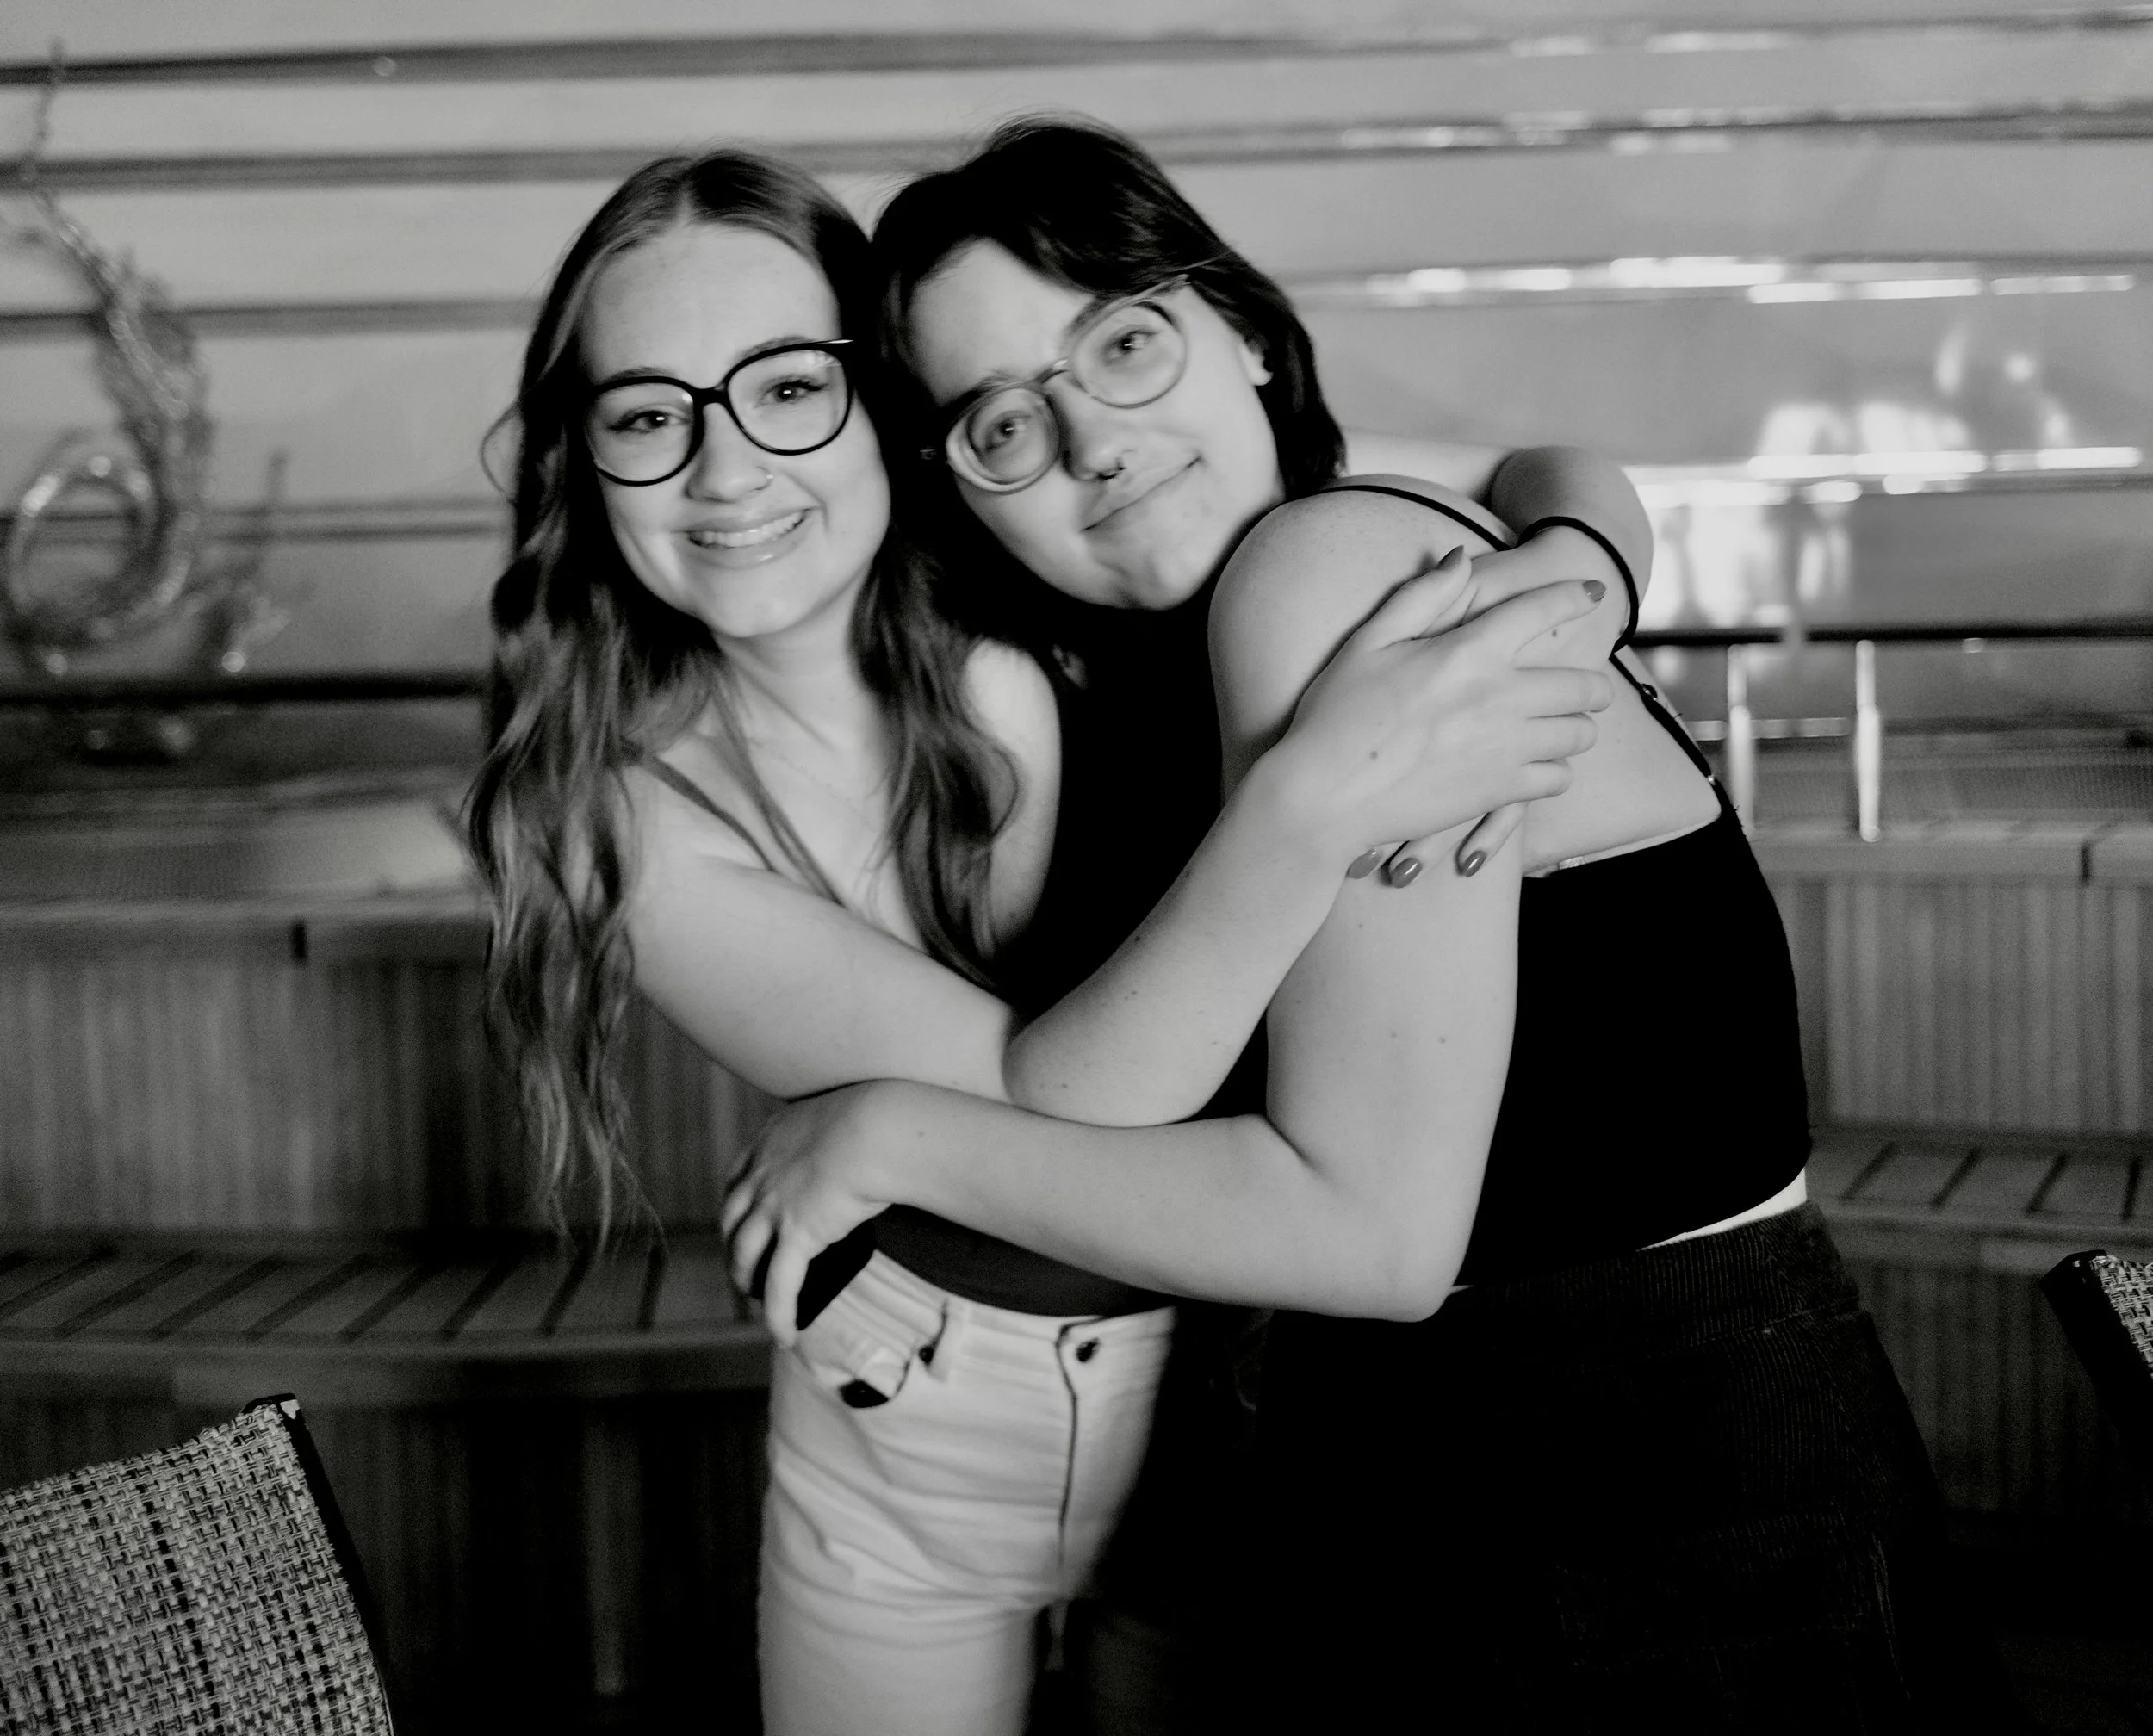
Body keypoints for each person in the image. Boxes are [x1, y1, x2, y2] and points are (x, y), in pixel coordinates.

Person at [721, 119, 2022, 1732]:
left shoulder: (1324, 572)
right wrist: (1582, 548)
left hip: (1644, 1500)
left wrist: (885, 1139)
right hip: (1539, 1490)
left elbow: (1374, 1239)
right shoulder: (1212, 656)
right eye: (1001, 422)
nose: (1088, 439)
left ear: (1248, 334)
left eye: (1123, 343)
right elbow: (1115, 1076)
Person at [465, 146, 1630, 1736]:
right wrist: (1313, 798)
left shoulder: (1065, 577)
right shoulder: (600, 823)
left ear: (892, 417)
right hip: (911, 1414)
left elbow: (1521, 473)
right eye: (650, 414)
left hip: (1235, 1378)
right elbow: (1056, 1089)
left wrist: (1587, 566)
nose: (725, 469)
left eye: (789, 387)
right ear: (583, 463)